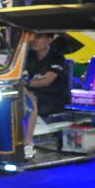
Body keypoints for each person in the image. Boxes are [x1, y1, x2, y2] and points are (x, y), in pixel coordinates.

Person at [23, 31, 71, 159]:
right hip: (34, 91)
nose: (34, 41)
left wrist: (25, 84)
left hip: (54, 96)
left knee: (30, 99)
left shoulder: (57, 57)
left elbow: (47, 81)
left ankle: (27, 143)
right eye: (33, 37)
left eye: (38, 37)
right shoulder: (29, 55)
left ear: (49, 40)